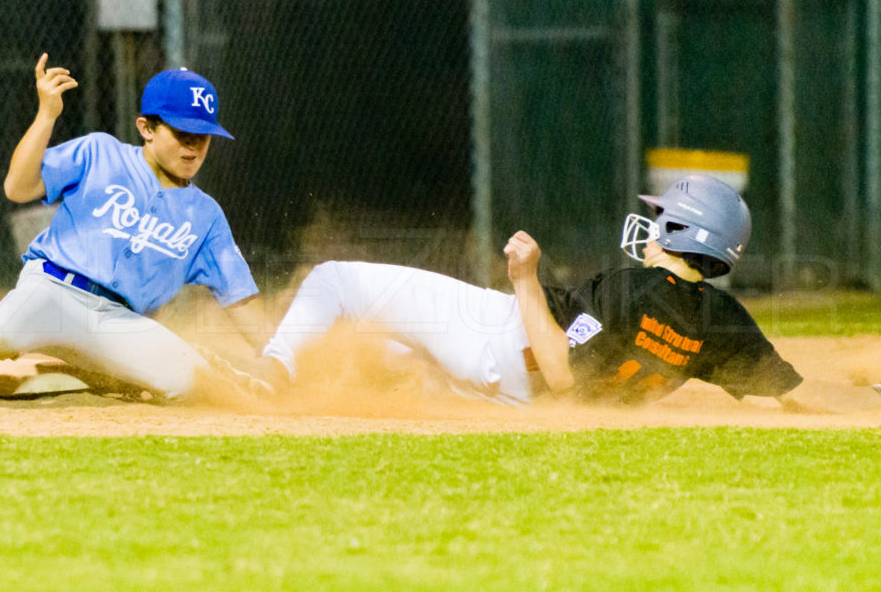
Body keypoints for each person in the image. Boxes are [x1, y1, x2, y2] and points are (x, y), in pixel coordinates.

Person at [260, 174, 881, 412]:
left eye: (664, 217)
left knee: (334, 280)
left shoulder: (632, 288)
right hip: (519, 403)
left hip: (501, 341)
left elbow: (558, 368)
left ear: (681, 232)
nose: (650, 225)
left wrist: (525, 276)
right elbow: (795, 395)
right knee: (390, 359)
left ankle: (266, 377)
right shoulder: (723, 320)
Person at [0, 54, 268, 402]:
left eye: (203, 136)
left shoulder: (207, 215)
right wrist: (46, 115)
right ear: (146, 128)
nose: (194, 146)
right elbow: (17, 187)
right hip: (53, 291)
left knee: (190, 382)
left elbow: (240, 299)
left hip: (121, 323)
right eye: (182, 133)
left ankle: (119, 371)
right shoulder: (100, 152)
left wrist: (278, 359)